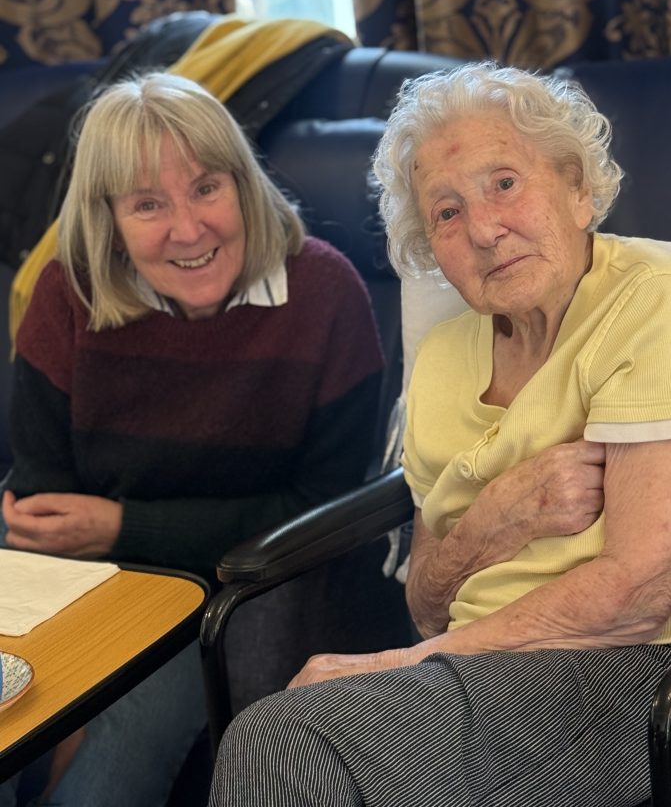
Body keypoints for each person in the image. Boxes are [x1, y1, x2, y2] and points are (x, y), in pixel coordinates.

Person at [208, 61, 671, 807]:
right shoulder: (442, 358)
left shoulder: (645, 303)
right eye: (445, 211)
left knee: (282, 740)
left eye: (505, 183)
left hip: (661, 665)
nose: (482, 228)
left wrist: (409, 664)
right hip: (483, 667)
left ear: (577, 190)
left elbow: (646, 583)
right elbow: (428, 599)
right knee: (290, 744)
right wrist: (500, 516)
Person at [0, 73, 384, 807]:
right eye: (148, 204)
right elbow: (46, 493)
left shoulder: (327, 295)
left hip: (219, 588)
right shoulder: (66, 291)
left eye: (206, 188)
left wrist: (127, 525)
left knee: (112, 763)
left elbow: (324, 515)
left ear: (243, 184)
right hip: (76, 568)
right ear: (109, 219)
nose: (187, 228)